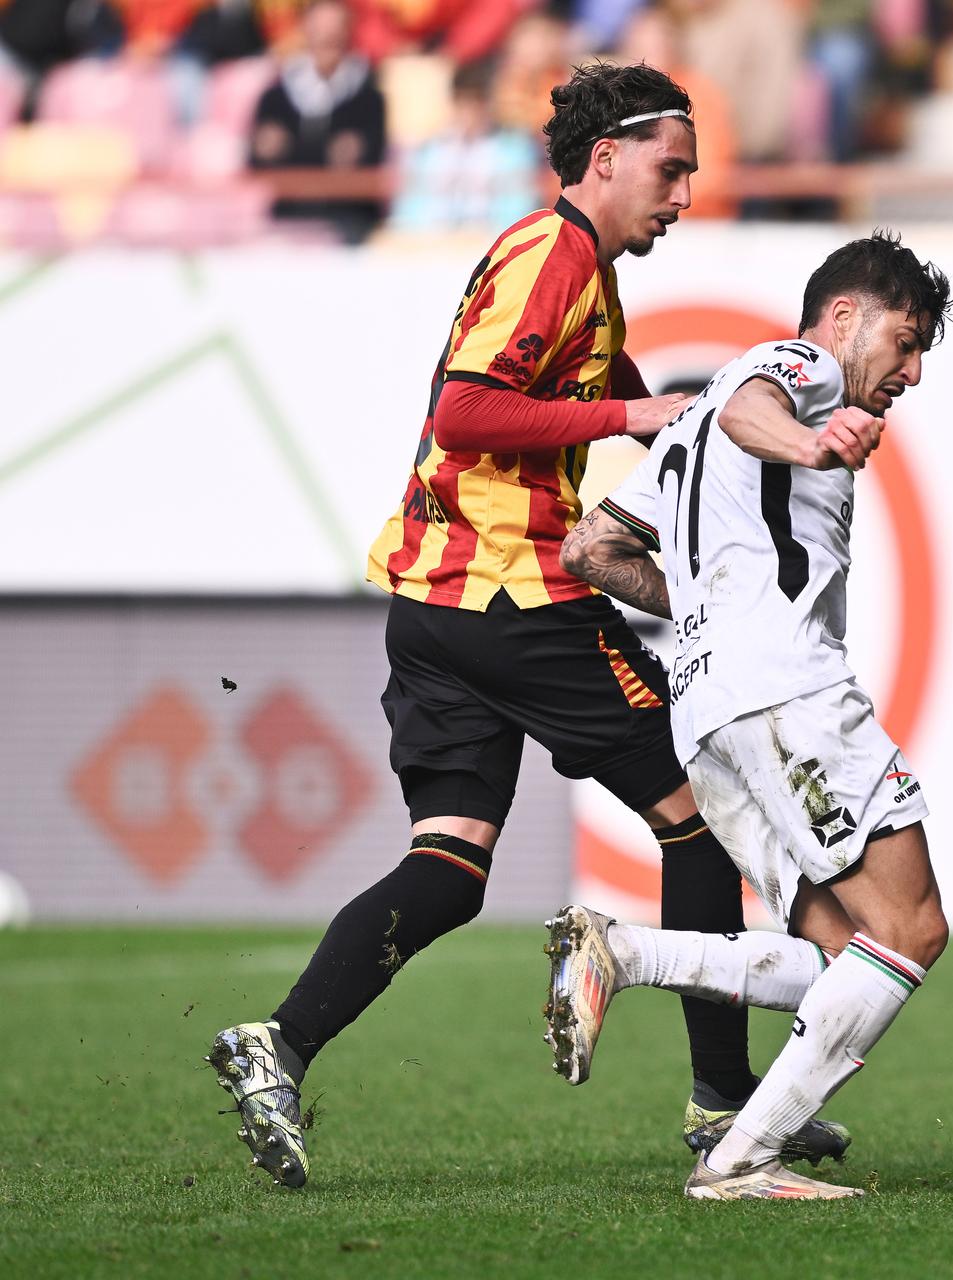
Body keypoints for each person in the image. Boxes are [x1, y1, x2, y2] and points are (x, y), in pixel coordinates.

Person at [206, 59, 849, 1190]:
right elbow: (465, 407)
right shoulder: (548, 251)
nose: (686, 194)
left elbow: (650, 416)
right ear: (607, 158)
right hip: (512, 596)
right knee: (700, 813)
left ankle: (280, 1043)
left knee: (450, 867)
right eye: (672, 167)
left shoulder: (583, 277)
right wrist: (636, 413)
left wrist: (702, 453)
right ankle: (720, 1103)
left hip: (434, 609)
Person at [548, 230, 953, 1200]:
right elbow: (751, 406)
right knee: (912, 926)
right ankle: (741, 1158)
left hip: (709, 707)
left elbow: (591, 548)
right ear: (846, 315)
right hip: (786, 690)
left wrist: (697, 609)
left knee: (837, 953)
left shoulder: (678, 435)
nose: (911, 371)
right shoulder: (798, 365)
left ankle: (626, 948)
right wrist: (813, 439)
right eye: (903, 341)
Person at [247, 0, 388, 243]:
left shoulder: (369, 97)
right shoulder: (276, 97)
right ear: (306, 32)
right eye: (320, 32)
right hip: (288, 220)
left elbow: (366, 162)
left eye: (334, 33)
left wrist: (293, 150)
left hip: (347, 223)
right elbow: (257, 159)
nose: (327, 40)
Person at [390, 61, 543, 233]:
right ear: (454, 103)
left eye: (477, 102)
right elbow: (409, 209)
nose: (470, 112)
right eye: (463, 102)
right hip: (434, 245)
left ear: (488, 104)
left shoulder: (514, 149)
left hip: (491, 243)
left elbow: (521, 206)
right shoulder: (429, 151)